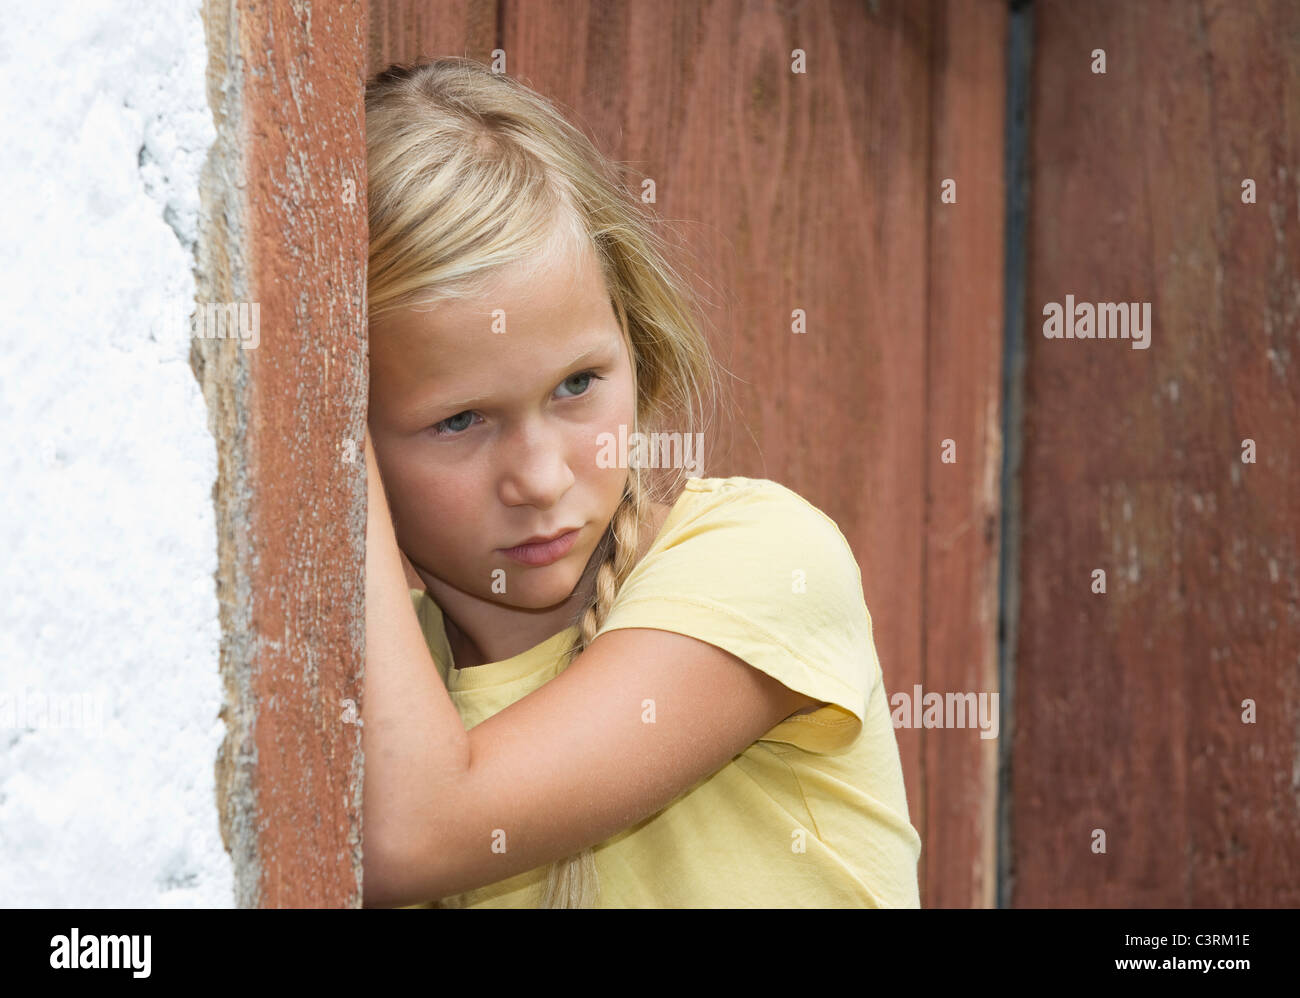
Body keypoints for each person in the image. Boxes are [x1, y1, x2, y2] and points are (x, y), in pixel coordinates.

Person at [362, 56, 921, 908]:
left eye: (578, 384)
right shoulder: (394, 688)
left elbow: (412, 833)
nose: (543, 479)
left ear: (639, 344)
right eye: (460, 421)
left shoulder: (760, 565)